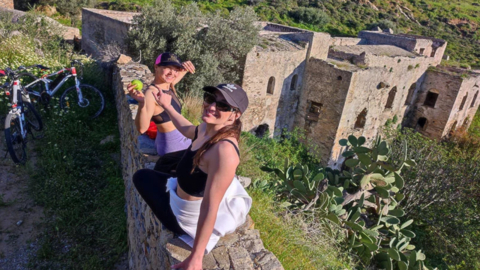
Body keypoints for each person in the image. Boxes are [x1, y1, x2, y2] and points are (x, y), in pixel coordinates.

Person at [133, 83, 252, 270]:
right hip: (181, 193)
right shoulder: (209, 128)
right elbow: (188, 130)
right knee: (165, 162)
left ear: (235, 115)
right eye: (211, 99)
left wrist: (196, 257)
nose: (212, 106)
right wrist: (168, 106)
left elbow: (210, 207)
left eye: (222, 106)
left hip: (185, 218)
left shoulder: (224, 151)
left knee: (141, 177)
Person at [127, 52, 195, 174]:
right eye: (167, 68)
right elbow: (142, 129)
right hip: (173, 146)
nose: (172, 73)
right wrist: (142, 103)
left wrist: (184, 67)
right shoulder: (152, 93)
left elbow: (175, 77)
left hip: (179, 140)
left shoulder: (168, 85)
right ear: (156, 67)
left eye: (175, 69)